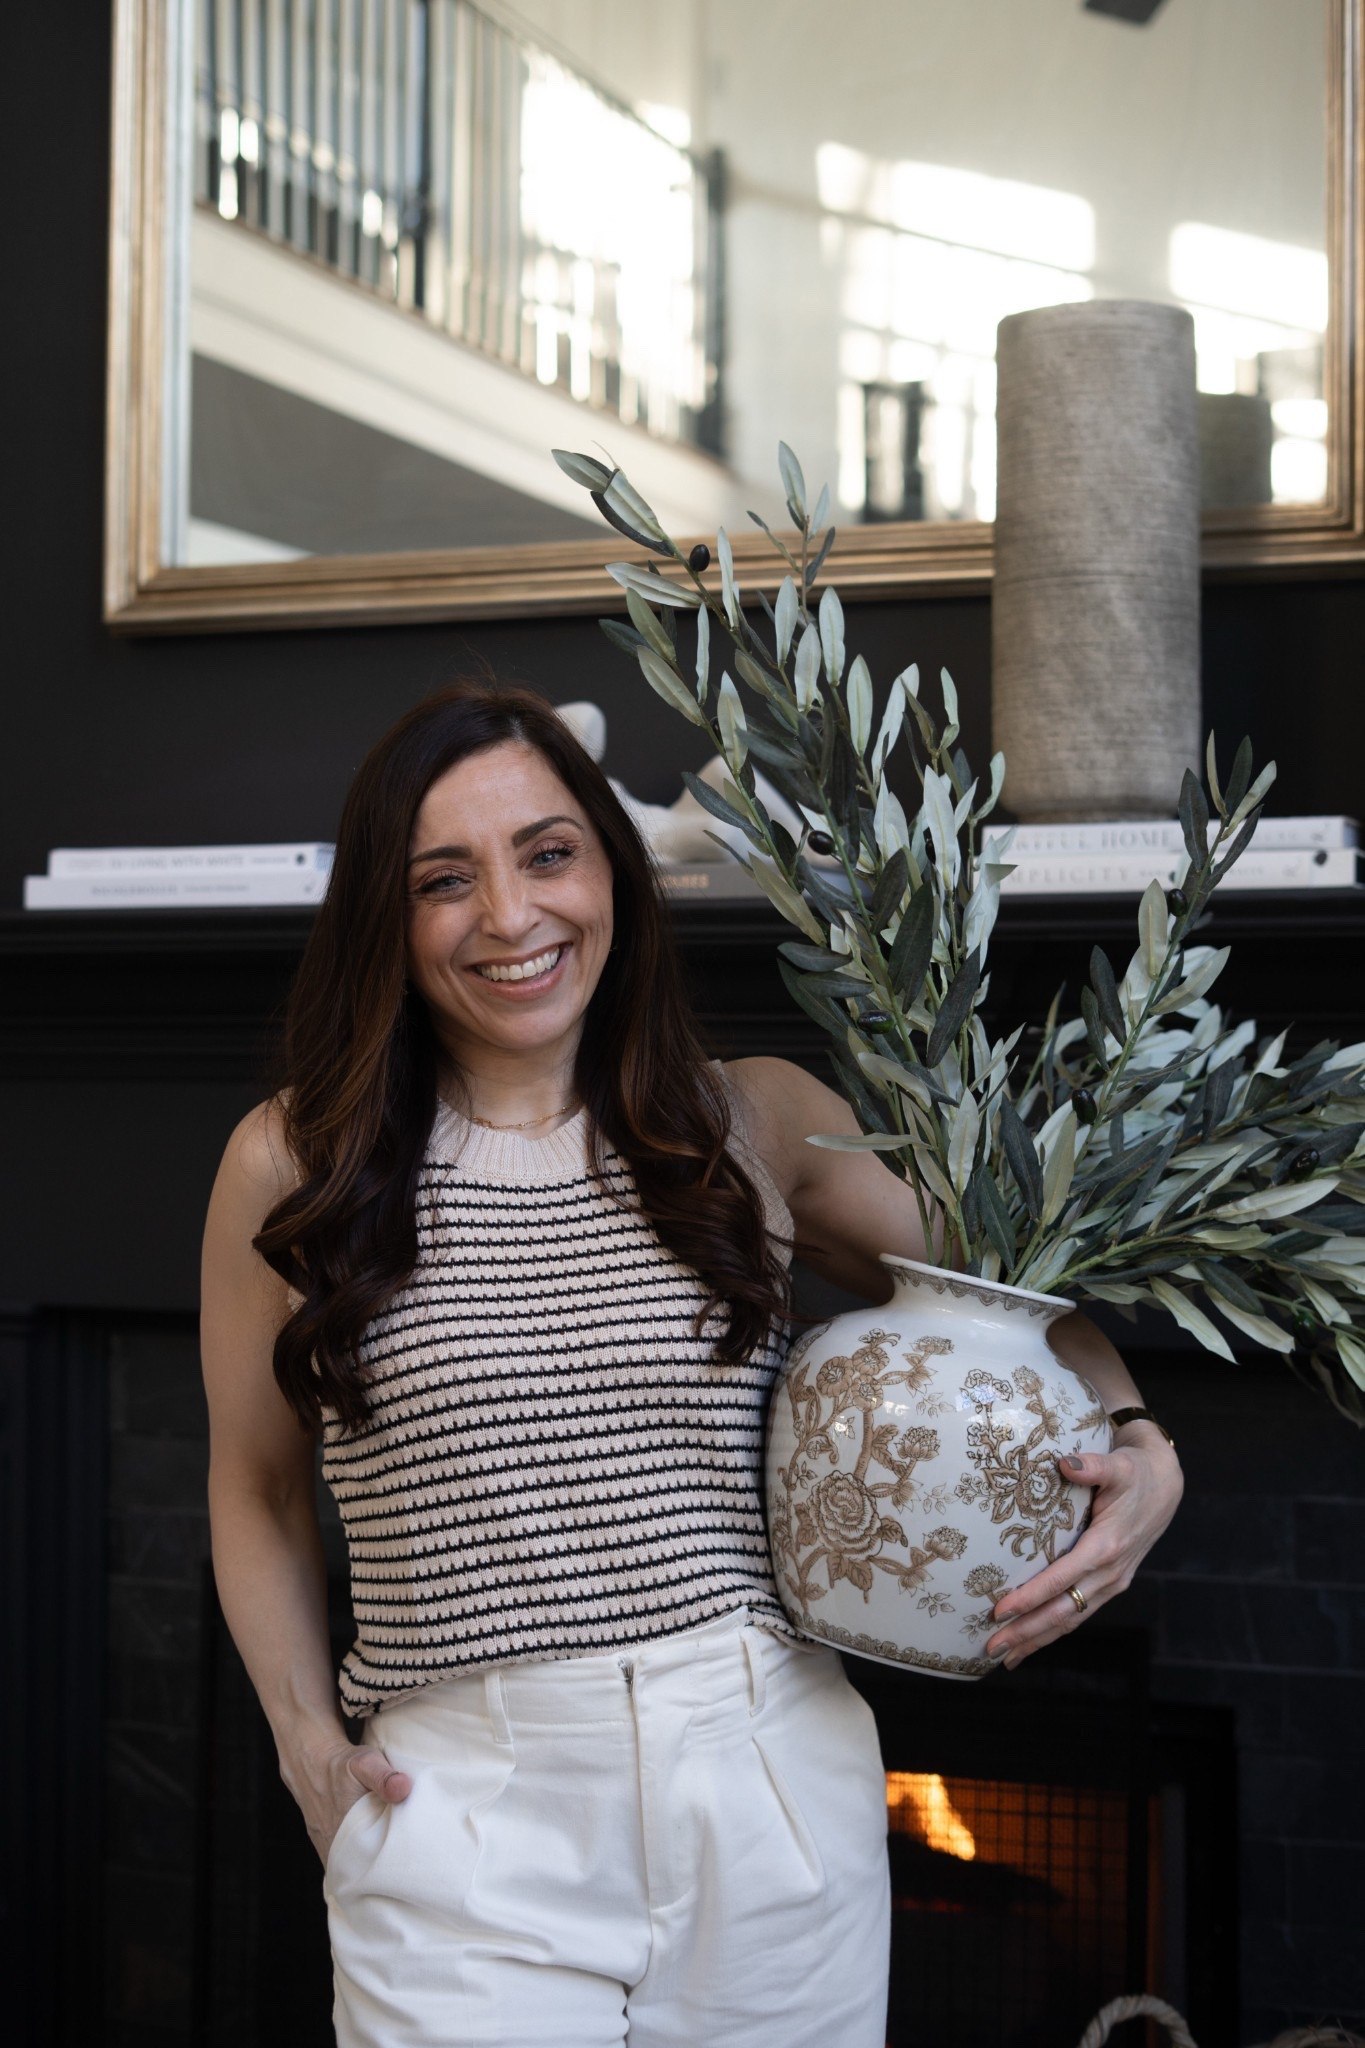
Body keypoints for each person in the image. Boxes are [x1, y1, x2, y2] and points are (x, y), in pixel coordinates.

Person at [201, 683, 1184, 2048]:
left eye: (547, 852)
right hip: (461, 1815)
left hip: (766, 1781)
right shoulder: (292, 1161)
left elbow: (1012, 1288)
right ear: (386, 912)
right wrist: (306, 1741)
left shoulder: (752, 1119)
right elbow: (253, 1487)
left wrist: (1136, 1437)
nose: (509, 915)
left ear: (608, 867)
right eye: (444, 879)